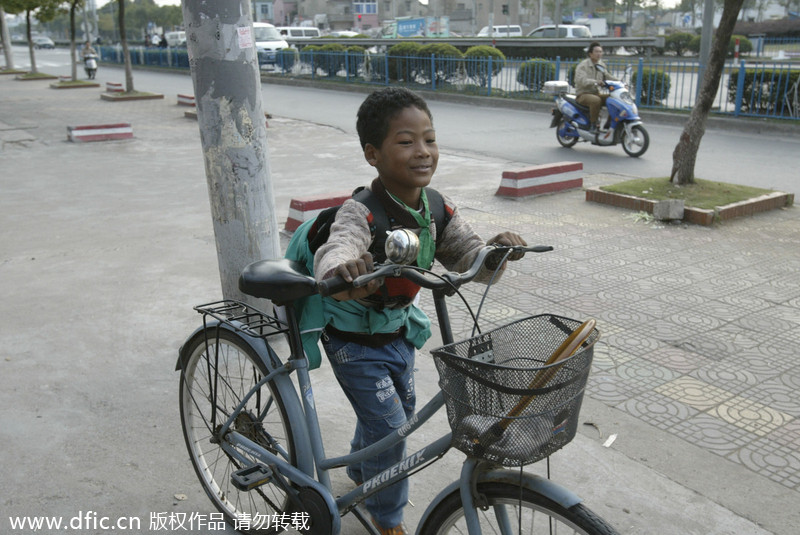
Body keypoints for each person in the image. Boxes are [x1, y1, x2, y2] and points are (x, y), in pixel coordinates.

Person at [313, 87, 526, 535]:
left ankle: (360, 470)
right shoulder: (361, 212)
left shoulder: (435, 207)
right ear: (372, 154)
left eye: (429, 139)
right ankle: (387, 518)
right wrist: (343, 267)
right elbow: (336, 250)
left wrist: (496, 253)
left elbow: (470, 257)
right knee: (393, 428)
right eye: (406, 141)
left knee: (396, 413)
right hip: (354, 341)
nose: (423, 152)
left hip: (398, 332)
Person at [574, 42, 617, 133]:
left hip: (596, 93)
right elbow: (582, 81)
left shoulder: (601, 64)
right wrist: (596, 82)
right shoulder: (583, 66)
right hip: (583, 94)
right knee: (596, 100)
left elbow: (607, 76)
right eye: (597, 52)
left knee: (614, 99)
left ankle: (609, 123)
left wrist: (619, 82)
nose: (599, 54)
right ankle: (593, 124)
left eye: (601, 52)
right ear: (590, 53)